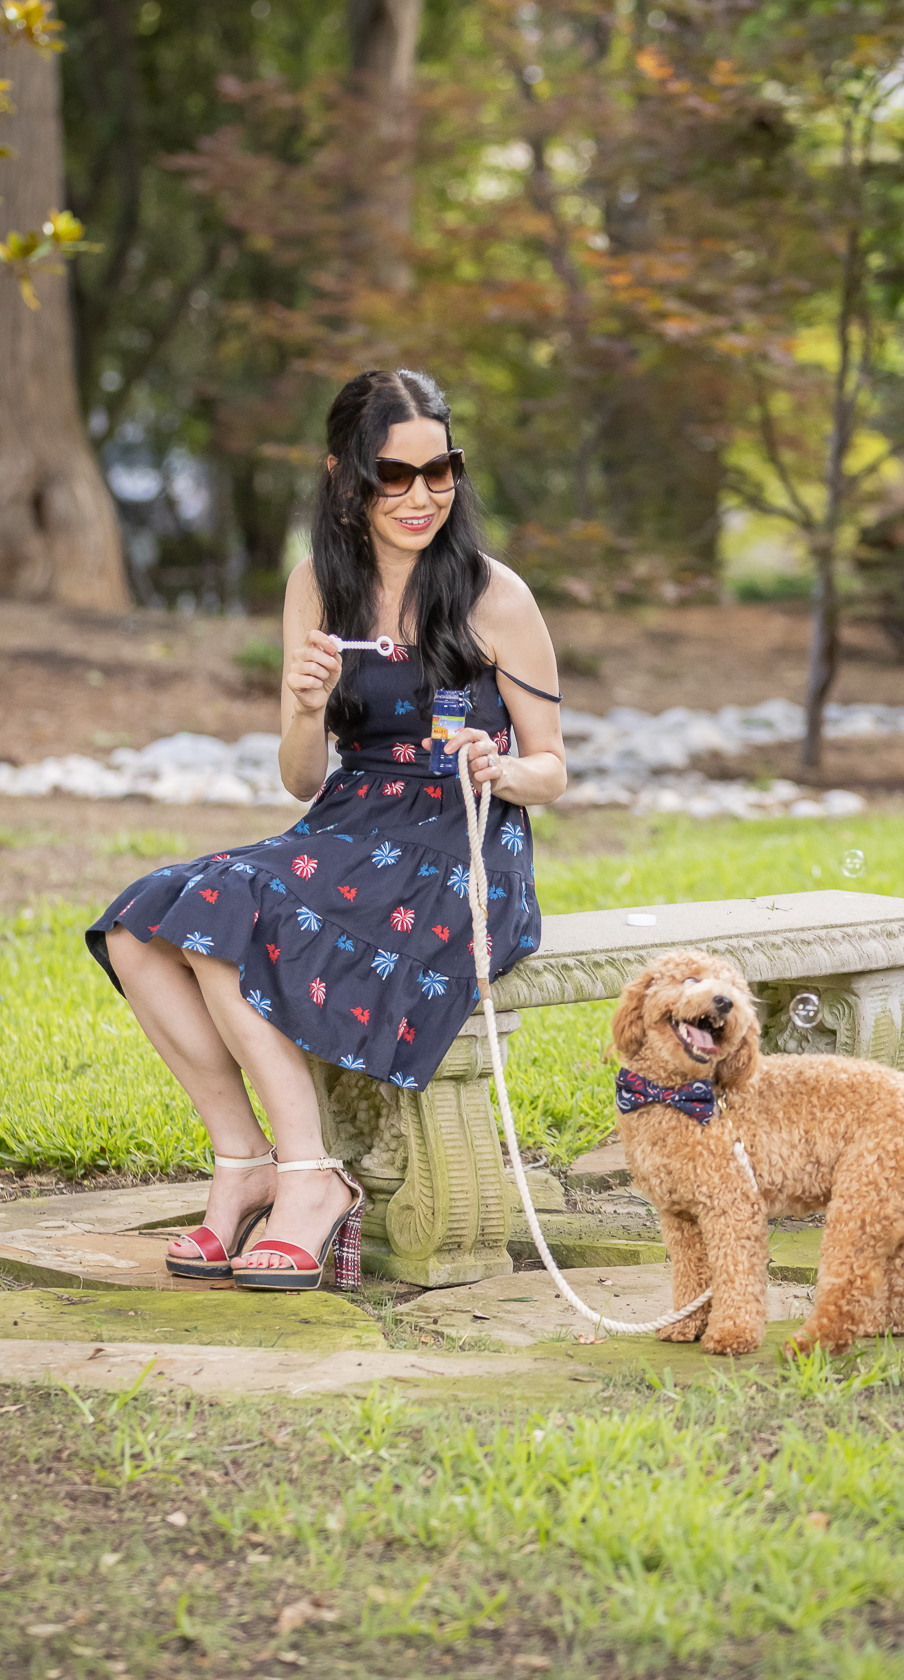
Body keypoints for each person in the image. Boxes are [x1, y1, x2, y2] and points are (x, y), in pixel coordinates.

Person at [86, 369, 566, 1289]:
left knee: (224, 908)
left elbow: (553, 764)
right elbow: (302, 778)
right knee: (138, 925)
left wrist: (500, 766)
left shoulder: (493, 593)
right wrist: (306, 708)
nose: (422, 497)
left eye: (441, 471)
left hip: (462, 848)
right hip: (351, 820)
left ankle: (310, 1180)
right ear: (345, 474)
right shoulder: (318, 584)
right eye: (395, 475)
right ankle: (246, 1162)